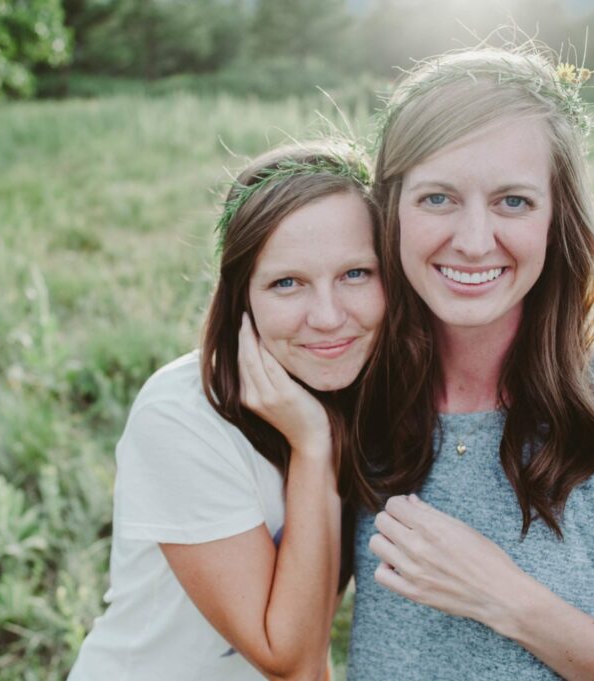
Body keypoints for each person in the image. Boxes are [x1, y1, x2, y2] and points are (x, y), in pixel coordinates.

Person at [345, 46, 594, 680]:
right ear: (391, 210)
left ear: (555, 218)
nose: (475, 240)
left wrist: (506, 600)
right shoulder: (358, 390)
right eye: (437, 198)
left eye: (513, 201)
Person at [68, 141, 384, 680]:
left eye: (356, 274)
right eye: (288, 283)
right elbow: (291, 661)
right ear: (242, 298)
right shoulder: (181, 417)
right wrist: (312, 447)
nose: (329, 317)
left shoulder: (364, 396)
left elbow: (312, 634)